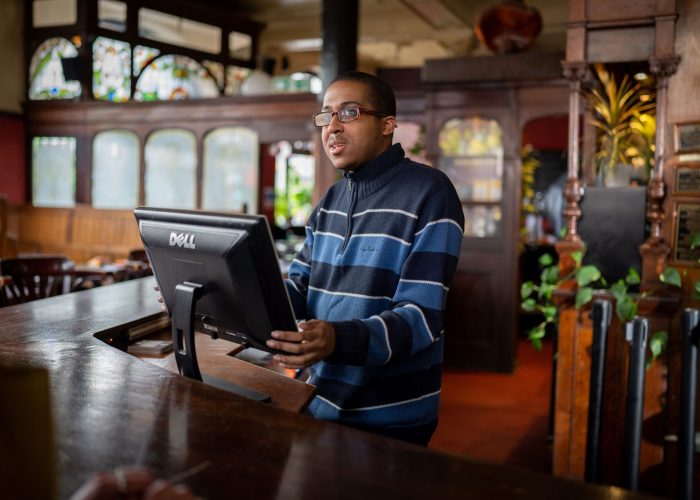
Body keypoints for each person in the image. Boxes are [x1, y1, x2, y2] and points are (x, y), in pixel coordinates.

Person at [265, 71, 464, 446]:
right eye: (326, 115)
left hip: (389, 418)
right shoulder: (330, 201)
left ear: (388, 125)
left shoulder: (430, 193)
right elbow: (298, 288)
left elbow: (421, 318)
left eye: (350, 112)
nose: (333, 127)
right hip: (318, 402)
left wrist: (336, 339)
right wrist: (231, 293)